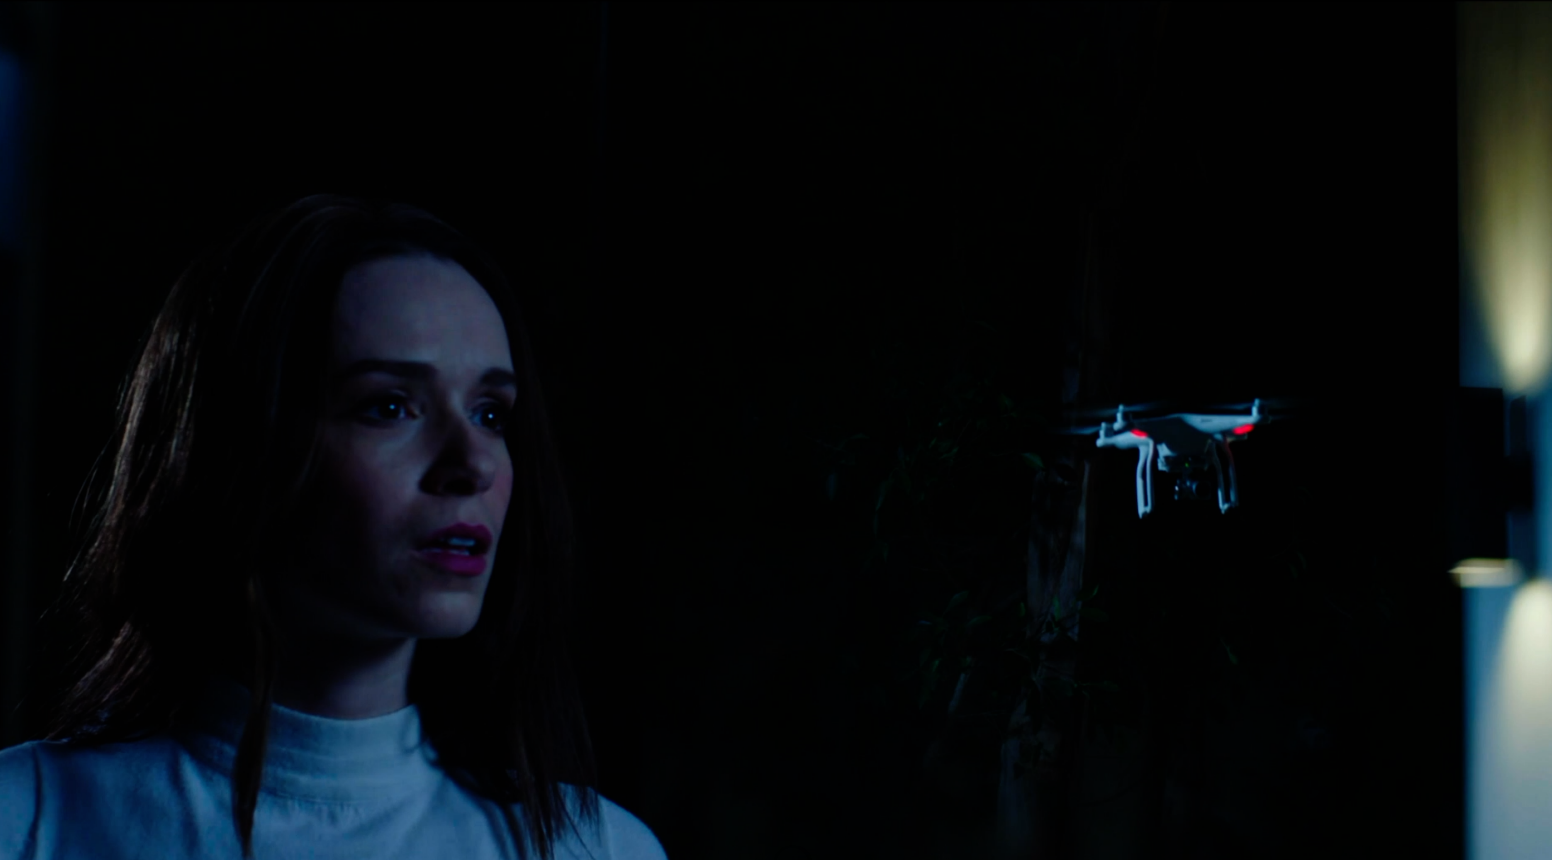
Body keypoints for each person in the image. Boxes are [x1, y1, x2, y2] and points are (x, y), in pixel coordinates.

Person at [0, 195, 669, 860]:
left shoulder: (599, 849)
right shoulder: (26, 819)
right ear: (239, 446)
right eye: (390, 406)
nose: (473, 464)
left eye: (490, 413)